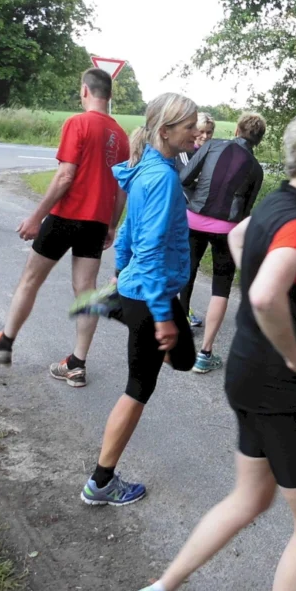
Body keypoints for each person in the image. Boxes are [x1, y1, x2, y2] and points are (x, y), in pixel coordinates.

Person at [121, 109, 296, 591]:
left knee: (250, 498)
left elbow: (238, 238)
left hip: (248, 378)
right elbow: (262, 297)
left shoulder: (277, 204)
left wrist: (273, 301)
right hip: (285, 395)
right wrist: (295, 353)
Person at [75, 93, 199, 507]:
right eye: (189, 127)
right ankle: (101, 483)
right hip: (152, 295)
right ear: (165, 131)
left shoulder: (148, 167)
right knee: (138, 389)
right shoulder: (161, 178)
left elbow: (127, 230)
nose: (196, 133)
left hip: (139, 290)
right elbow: (147, 249)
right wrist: (162, 315)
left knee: (183, 358)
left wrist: (119, 273)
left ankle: (112, 303)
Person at [0, 69, 129, 387]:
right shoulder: (122, 136)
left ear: (85, 91)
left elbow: (64, 176)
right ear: (110, 95)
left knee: (30, 280)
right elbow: (121, 188)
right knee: (86, 291)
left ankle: (4, 343)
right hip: (96, 222)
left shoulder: (78, 123)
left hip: (66, 216)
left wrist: (36, 217)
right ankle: (77, 363)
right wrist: (112, 225)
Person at [178, 112, 267, 372]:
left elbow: (184, 178)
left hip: (194, 219)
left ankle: (179, 335)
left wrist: (199, 195)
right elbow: (245, 211)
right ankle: (205, 354)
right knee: (221, 287)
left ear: (237, 130)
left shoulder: (212, 146)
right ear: (258, 140)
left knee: (188, 270)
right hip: (227, 229)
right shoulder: (256, 169)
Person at [176, 112, 217, 327]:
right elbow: (187, 180)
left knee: (191, 265)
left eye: (209, 132)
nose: (204, 136)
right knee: (183, 265)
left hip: (202, 216)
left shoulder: (211, 153)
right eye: (201, 131)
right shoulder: (185, 152)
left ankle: (183, 309)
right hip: (182, 214)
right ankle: (176, 312)